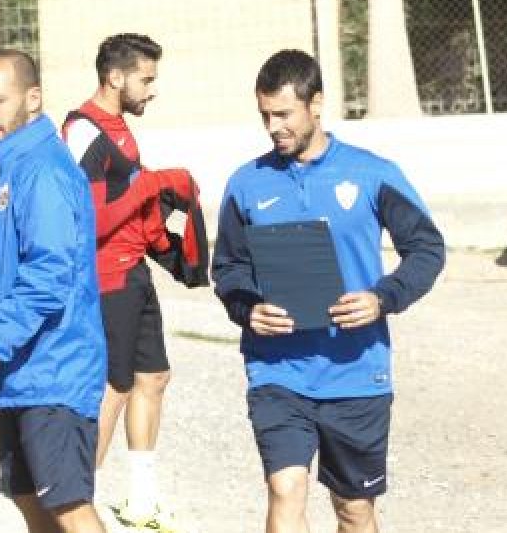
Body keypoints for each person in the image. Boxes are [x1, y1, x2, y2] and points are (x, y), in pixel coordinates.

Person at [211, 49, 446, 533]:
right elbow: (229, 267)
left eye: (283, 114)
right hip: (277, 370)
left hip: (357, 373)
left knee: (353, 511)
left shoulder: (372, 173)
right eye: (265, 115)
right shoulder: (246, 184)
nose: (273, 126)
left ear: (316, 105)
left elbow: (426, 249)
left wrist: (383, 297)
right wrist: (246, 308)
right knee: (285, 489)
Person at [0, 50, 108, 533]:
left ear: (33, 99)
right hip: (21, 373)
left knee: (68, 507)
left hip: (56, 372)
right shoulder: (14, 170)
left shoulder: (43, 171)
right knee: (27, 499)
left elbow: (49, 272)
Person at [61, 33, 186, 530]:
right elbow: (86, 217)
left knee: (152, 377)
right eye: (146, 78)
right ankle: (75, 504)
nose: (152, 89)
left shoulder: (120, 128)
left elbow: (130, 198)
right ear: (115, 77)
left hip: (133, 272)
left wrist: (168, 244)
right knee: (111, 388)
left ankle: (141, 499)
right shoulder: (82, 130)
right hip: (104, 279)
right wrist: (149, 185)